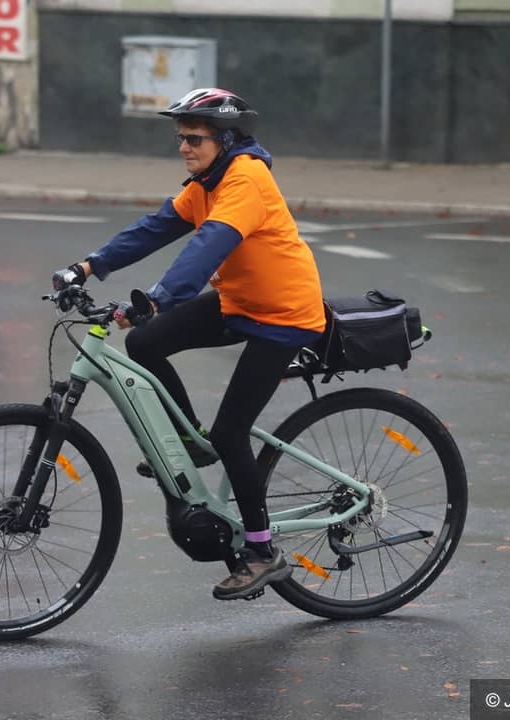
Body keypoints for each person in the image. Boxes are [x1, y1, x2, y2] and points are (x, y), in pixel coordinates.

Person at [52, 88, 326, 601]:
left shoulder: (246, 179)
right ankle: (190, 445)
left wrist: (157, 299)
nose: (183, 147)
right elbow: (154, 229)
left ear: (227, 140)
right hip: (240, 303)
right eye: (180, 137)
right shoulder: (205, 183)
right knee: (145, 343)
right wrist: (86, 267)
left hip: (284, 316)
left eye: (194, 138)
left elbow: (209, 245)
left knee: (231, 432)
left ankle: (262, 553)